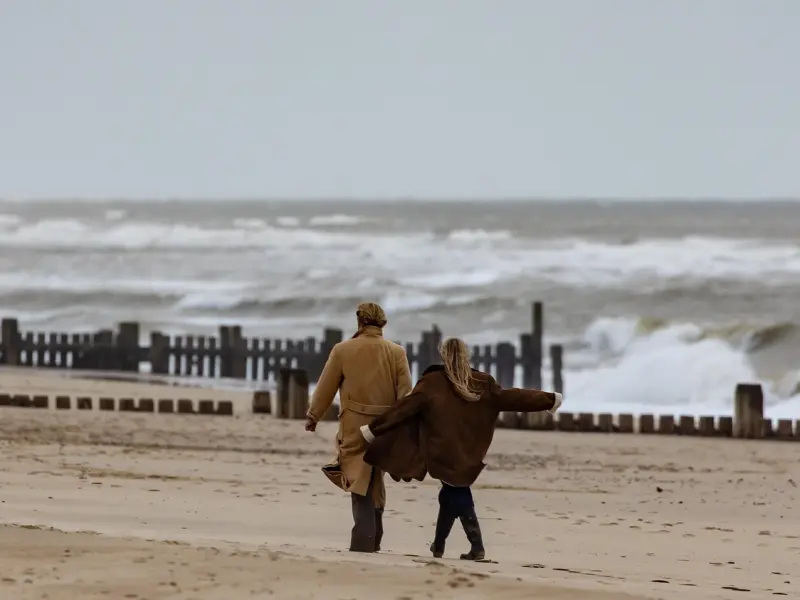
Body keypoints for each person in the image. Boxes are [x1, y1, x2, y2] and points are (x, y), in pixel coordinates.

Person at [360, 337, 563, 561]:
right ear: (467, 355)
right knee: (452, 492)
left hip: (441, 452)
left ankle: (476, 547)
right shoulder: (482, 383)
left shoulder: (432, 382)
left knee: (455, 493)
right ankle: (438, 546)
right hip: (469, 451)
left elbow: (403, 409)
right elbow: (514, 398)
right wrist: (549, 400)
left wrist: (373, 429)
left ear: (443, 355)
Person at [305, 302, 412, 553]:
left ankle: (363, 541)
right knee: (375, 479)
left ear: (360, 321)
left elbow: (326, 386)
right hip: (385, 427)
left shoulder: (343, 350)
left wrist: (313, 415)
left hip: (354, 425)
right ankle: (373, 539)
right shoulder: (397, 353)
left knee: (357, 479)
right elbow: (405, 395)